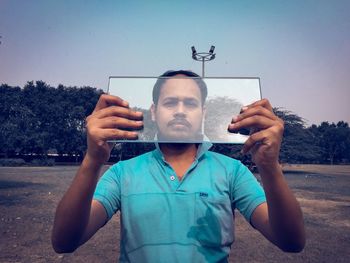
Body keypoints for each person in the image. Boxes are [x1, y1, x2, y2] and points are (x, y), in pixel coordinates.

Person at [52, 70, 305, 262]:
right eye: (170, 102)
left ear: (203, 113)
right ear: (154, 111)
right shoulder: (122, 173)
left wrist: (270, 166)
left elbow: (291, 241)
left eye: (191, 103)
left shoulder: (233, 171)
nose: (181, 111)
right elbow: (64, 241)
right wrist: (92, 160)